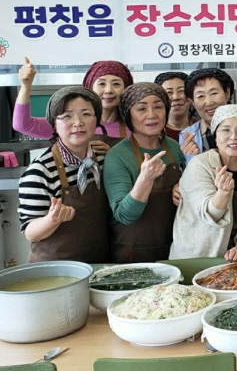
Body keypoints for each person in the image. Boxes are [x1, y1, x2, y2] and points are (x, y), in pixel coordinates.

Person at [18, 87, 110, 262]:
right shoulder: (39, 172)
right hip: (55, 268)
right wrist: (52, 220)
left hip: (99, 261)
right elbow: (30, 232)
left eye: (86, 114)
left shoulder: (103, 159)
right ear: (54, 124)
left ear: (96, 120)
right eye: (67, 116)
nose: (78, 122)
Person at [169, 105, 237, 261]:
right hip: (195, 257)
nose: (233, 137)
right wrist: (223, 194)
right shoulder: (199, 165)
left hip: (233, 257)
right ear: (215, 136)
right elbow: (207, 214)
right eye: (225, 130)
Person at [103, 83, 184, 263]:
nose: (152, 114)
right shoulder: (117, 156)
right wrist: (145, 179)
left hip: (176, 247)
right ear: (128, 115)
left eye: (158, 107)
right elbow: (124, 215)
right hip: (133, 253)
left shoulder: (173, 147)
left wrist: (182, 189)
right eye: (141, 109)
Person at [13, 58, 134, 153]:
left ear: (126, 89)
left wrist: (115, 156)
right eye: (101, 84)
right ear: (89, 88)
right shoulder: (67, 124)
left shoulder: (134, 126)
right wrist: (26, 86)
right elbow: (22, 125)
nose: (109, 90)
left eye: (116, 84)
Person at [178, 68, 237, 164]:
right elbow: (186, 172)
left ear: (227, 93)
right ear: (192, 101)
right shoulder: (188, 136)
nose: (209, 102)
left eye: (214, 93)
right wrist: (191, 159)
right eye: (200, 96)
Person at [154, 71, 192, 141]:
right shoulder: (152, 130)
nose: (176, 97)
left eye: (181, 91)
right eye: (169, 92)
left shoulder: (202, 127)